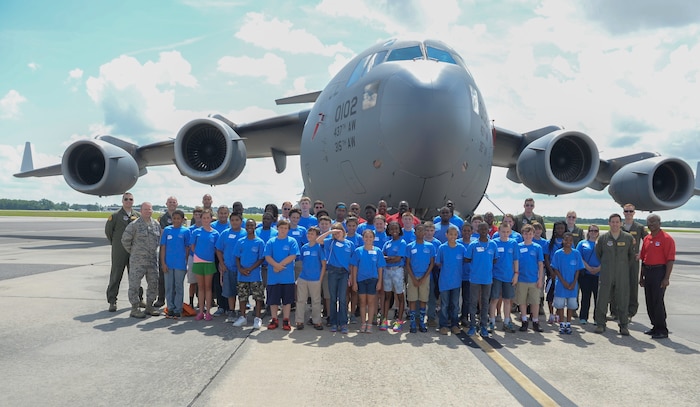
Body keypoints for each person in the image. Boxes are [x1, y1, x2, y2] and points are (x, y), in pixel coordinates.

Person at [594, 213, 635, 335]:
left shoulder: (627, 238)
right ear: (609, 223)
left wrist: (622, 266)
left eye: (617, 222)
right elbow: (598, 254)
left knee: (622, 299)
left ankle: (623, 325)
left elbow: (631, 256)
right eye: (613, 222)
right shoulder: (603, 238)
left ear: (621, 223)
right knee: (603, 298)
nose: (615, 224)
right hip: (607, 273)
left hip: (622, 274)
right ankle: (600, 324)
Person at [121, 202, 161, 318]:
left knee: (153, 283)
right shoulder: (134, 225)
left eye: (150, 209)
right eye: (145, 209)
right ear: (141, 210)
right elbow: (125, 240)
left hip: (152, 261)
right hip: (138, 261)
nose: (148, 211)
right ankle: (134, 308)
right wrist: (134, 252)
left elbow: (158, 240)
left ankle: (149, 306)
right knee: (134, 285)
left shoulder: (156, 224)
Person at [639, 214, 675, 339]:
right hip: (648, 271)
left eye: (653, 222)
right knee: (649, 300)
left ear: (659, 223)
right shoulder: (647, 239)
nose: (651, 225)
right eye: (649, 222)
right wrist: (641, 277)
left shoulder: (666, 238)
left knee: (657, 301)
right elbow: (643, 259)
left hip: (659, 271)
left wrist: (666, 278)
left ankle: (662, 329)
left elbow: (670, 260)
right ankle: (655, 326)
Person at [105, 192, 141, 312]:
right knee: (116, 275)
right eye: (126, 199)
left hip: (134, 250)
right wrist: (116, 244)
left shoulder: (138, 216)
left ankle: (138, 299)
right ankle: (112, 300)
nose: (128, 201)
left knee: (135, 276)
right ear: (122, 201)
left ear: (133, 201)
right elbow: (109, 232)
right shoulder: (115, 216)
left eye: (130, 199)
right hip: (119, 251)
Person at [317, 223, 354, 334]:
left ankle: (343, 323)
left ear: (343, 231)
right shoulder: (330, 242)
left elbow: (352, 262)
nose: (337, 233)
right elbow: (319, 240)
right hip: (333, 271)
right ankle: (333, 322)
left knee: (342, 299)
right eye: (335, 231)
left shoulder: (349, 244)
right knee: (333, 298)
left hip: (344, 273)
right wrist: (330, 232)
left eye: (338, 231)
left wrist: (351, 276)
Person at [264, 219, 300, 331]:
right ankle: (274, 319)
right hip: (274, 277)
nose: (283, 230)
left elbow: (293, 255)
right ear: (277, 228)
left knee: (287, 300)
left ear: (288, 229)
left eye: (285, 228)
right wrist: (275, 265)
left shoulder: (292, 241)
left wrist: (279, 265)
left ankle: (286, 319)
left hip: (287, 277)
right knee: (273, 300)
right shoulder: (271, 241)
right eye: (281, 228)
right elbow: (267, 256)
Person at [465, 222, 499, 338]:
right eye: (481, 229)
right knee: (473, 302)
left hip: (487, 279)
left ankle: (483, 325)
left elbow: (495, 260)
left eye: (485, 229)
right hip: (475, 278)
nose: (484, 231)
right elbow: (467, 259)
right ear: (478, 231)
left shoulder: (493, 245)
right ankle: (472, 326)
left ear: (488, 230)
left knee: (485, 303)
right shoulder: (473, 245)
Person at [351, 229, 385, 333]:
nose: (368, 239)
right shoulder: (358, 251)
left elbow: (380, 267)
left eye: (370, 237)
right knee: (362, 302)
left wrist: (379, 281)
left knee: (371, 302)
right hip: (361, 280)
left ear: (374, 238)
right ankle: (363, 323)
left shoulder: (378, 251)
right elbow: (354, 267)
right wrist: (354, 282)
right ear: (363, 238)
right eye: (366, 237)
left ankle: (369, 323)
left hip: (373, 279)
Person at [233, 219, 266, 329]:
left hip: (255, 275)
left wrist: (251, 268)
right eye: (248, 225)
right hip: (242, 275)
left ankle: (257, 318)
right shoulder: (240, 241)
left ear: (255, 226)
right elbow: (237, 257)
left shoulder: (259, 242)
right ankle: (242, 317)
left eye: (252, 225)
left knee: (258, 297)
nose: (249, 227)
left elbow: (261, 258)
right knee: (242, 297)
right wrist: (240, 269)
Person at [159, 209, 190, 319]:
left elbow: (187, 248)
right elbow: (163, 247)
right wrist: (163, 263)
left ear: (182, 219)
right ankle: (170, 308)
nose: (176, 220)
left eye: (178, 218)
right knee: (169, 287)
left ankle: (178, 309)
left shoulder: (186, 231)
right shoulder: (167, 230)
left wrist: (185, 262)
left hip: (180, 264)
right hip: (168, 263)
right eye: (174, 218)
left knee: (178, 287)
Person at [191, 208, 220, 321]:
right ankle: (201, 311)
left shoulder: (215, 233)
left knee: (208, 288)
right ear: (200, 218)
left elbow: (216, 249)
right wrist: (199, 255)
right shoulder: (196, 232)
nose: (206, 220)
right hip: (198, 261)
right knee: (200, 287)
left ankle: (208, 311)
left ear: (211, 219)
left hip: (209, 262)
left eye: (208, 218)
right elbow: (192, 246)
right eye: (204, 218)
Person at [551, 232, 584, 334]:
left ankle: (568, 324)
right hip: (561, 284)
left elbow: (578, 269)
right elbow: (556, 269)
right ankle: (561, 324)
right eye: (566, 240)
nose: (568, 242)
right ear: (563, 241)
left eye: (570, 240)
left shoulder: (576, 253)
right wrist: (563, 281)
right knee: (560, 305)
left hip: (572, 285)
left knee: (571, 305)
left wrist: (574, 282)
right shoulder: (558, 254)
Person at [436, 225, 466, 335]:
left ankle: (454, 325)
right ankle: (443, 325)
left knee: (455, 304)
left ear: (457, 235)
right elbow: (438, 263)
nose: (453, 236)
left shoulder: (461, 248)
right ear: (446, 235)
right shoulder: (442, 248)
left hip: (456, 281)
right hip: (444, 281)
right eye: (450, 234)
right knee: (444, 305)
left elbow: (464, 261)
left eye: (455, 234)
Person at [215, 212, 245, 323]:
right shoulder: (225, 233)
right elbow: (218, 249)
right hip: (228, 267)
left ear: (241, 222)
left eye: (237, 220)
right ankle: (231, 310)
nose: (234, 222)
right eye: (232, 220)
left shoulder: (245, 234)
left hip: (242, 269)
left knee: (242, 292)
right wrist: (222, 264)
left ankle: (242, 313)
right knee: (230, 291)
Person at [405, 224, 435, 333]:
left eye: (423, 231)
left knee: (423, 299)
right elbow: (407, 264)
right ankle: (413, 322)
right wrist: (413, 278)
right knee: (412, 299)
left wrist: (423, 278)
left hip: (425, 277)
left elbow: (431, 263)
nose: (421, 233)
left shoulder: (430, 246)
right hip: (412, 276)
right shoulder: (410, 246)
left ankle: (422, 321)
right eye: (418, 230)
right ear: (415, 232)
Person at [490, 222, 519, 333]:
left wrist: (516, 274)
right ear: (499, 231)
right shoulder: (494, 243)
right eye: (503, 231)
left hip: (509, 276)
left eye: (507, 232)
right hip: (496, 275)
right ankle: (492, 321)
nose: (505, 234)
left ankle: (506, 321)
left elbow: (516, 260)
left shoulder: (513, 243)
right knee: (494, 299)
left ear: (510, 232)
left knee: (507, 300)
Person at [296, 227, 326, 330]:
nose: (309, 236)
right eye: (309, 234)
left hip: (315, 279)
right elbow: (303, 262)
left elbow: (323, 265)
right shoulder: (304, 247)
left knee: (316, 301)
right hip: (303, 278)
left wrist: (320, 279)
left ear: (317, 236)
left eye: (312, 234)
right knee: (301, 300)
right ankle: (299, 321)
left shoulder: (319, 248)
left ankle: (316, 321)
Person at [621, 203, 648, 319]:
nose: (628, 214)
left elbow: (648, 241)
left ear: (634, 213)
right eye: (626, 211)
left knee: (632, 285)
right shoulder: (619, 226)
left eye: (630, 211)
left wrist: (641, 254)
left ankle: (631, 311)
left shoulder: (639, 227)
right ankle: (616, 310)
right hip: (619, 260)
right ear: (623, 213)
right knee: (618, 285)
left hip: (633, 261)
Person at [517, 225, 545, 332]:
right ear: (522, 234)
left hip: (534, 279)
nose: (528, 236)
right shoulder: (518, 246)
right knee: (522, 301)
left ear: (533, 235)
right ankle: (524, 320)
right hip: (521, 279)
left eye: (530, 234)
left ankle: (535, 321)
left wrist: (540, 279)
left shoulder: (537, 247)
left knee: (535, 302)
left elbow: (540, 264)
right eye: (525, 233)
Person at [380, 221, 408, 332]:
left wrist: (389, 258)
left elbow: (398, 259)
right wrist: (390, 258)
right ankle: (384, 319)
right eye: (391, 229)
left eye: (396, 228)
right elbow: (382, 257)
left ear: (399, 230)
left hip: (397, 271)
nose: (394, 231)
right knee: (387, 296)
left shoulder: (402, 242)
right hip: (387, 271)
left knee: (400, 296)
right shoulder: (387, 243)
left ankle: (399, 320)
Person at [155, 196, 181, 308]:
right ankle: (161, 299)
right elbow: (159, 234)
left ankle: (174, 300)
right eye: (170, 202)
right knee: (162, 276)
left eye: (174, 202)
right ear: (166, 204)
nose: (172, 204)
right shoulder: (162, 218)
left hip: (176, 251)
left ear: (177, 204)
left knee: (176, 278)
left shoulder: (181, 217)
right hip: (165, 249)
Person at [576, 225, 601, 325]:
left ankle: (597, 318)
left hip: (598, 274)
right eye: (591, 230)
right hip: (586, 274)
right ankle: (583, 317)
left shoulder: (601, 244)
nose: (593, 232)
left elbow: (606, 258)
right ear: (588, 232)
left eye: (595, 231)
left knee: (597, 298)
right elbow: (579, 256)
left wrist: (599, 268)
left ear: (598, 232)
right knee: (585, 297)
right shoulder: (582, 243)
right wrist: (588, 267)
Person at [187, 206, 203, 308]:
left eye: (199, 215)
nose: (197, 217)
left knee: (202, 283)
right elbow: (188, 246)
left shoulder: (206, 229)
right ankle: (191, 302)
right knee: (192, 282)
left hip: (203, 258)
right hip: (192, 257)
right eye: (196, 215)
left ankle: (201, 302)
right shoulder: (189, 230)